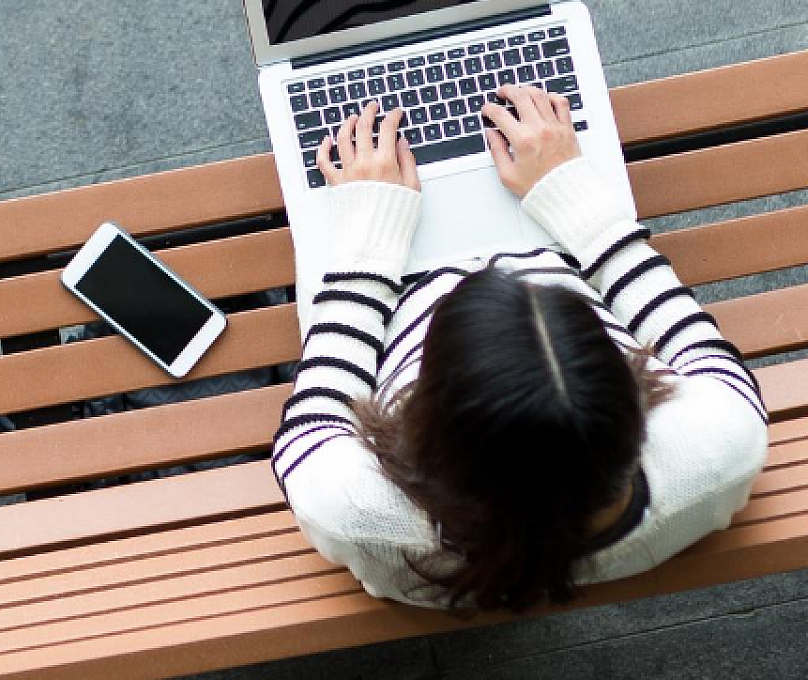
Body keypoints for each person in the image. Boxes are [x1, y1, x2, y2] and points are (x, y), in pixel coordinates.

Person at [273, 83, 769, 612]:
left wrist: (369, 244)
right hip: (559, 229)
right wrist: (571, 193)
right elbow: (702, 352)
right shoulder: (719, 453)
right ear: (632, 407)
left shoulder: (356, 508)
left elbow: (315, 415)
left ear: (426, 422)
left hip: (385, 281)